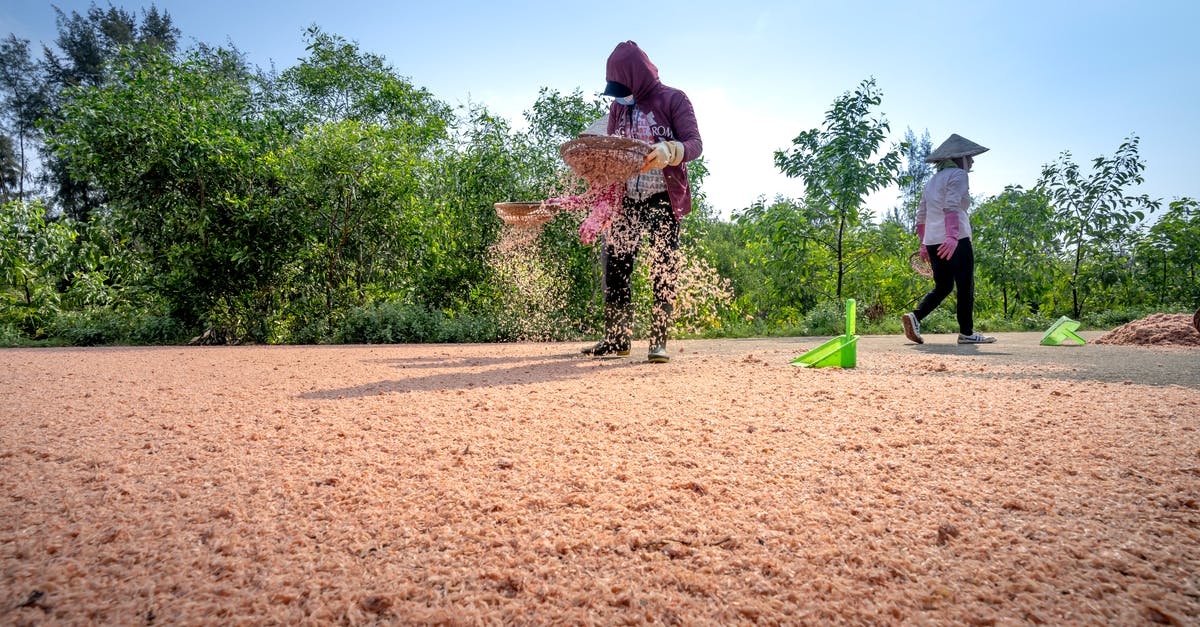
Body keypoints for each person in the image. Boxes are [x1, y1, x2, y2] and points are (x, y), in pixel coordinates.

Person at [578, 41, 703, 363]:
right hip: (626, 197)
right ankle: (616, 339)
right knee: (616, 266)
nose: (621, 96)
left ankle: (658, 342)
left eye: (624, 88)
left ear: (639, 77)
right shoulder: (618, 108)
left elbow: (695, 144)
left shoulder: (673, 99)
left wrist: (671, 151)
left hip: (661, 195)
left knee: (663, 266)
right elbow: (611, 151)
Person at [901, 134, 996, 345]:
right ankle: (966, 332)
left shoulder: (932, 181)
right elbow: (951, 205)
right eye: (969, 157)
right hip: (956, 240)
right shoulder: (959, 175)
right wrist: (952, 236)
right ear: (959, 159)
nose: (971, 162)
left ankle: (915, 317)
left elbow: (921, 215)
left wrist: (923, 243)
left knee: (943, 286)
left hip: (934, 241)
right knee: (965, 285)